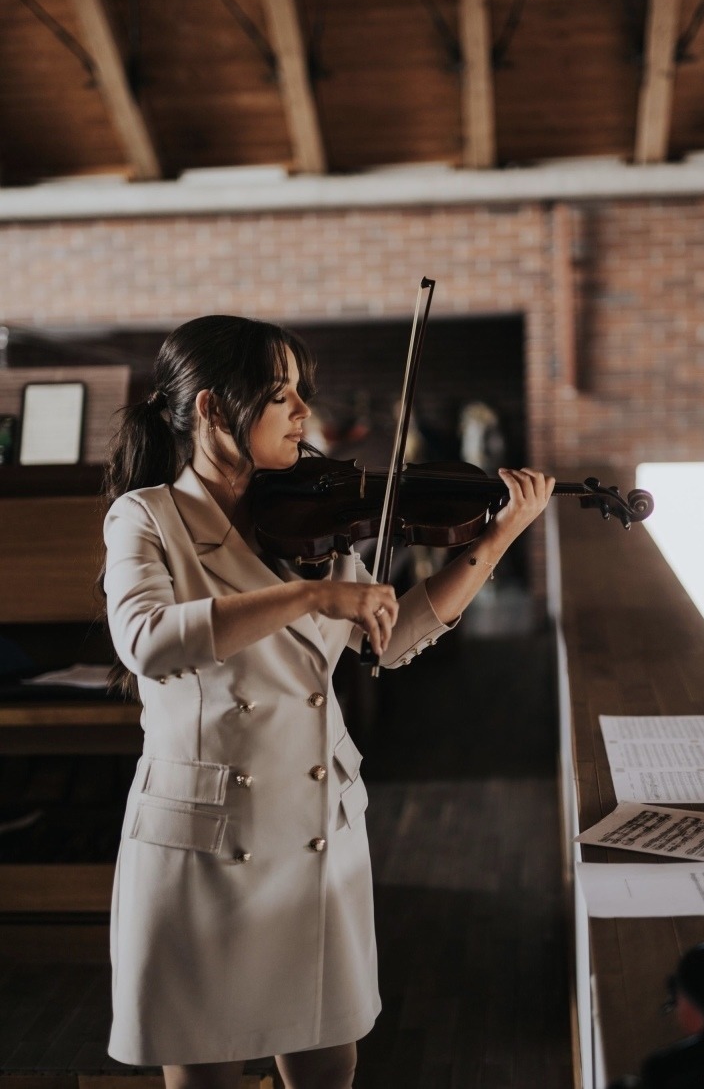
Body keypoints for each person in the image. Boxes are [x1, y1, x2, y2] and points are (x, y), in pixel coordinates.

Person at [101, 315, 554, 1089]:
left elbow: (392, 635)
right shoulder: (147, 518)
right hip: (204, 849)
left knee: (328, 1069)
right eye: (282, 397)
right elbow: (146, 639)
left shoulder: (309, 515)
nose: (304, 413)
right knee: (204, 1077)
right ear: (211, 410)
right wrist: (311, 593)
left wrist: (499, 539)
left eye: (301, 394)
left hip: (314, 835)